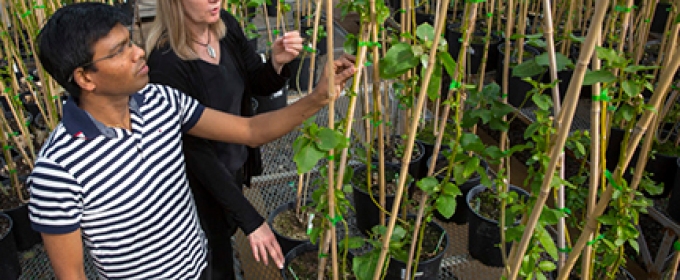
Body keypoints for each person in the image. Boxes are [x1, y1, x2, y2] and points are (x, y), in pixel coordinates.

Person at [28, 2, 355, 279]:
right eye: (120, 51)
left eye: (130, 41)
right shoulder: (57, 173)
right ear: (85, 78)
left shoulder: (162, 101)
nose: (138, 52)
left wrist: (318, 97)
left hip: (202, 267)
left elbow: (251, 130)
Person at [145, 0, 305, 278]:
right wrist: (251, 220)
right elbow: (196, 155)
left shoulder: (225, 26)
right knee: (214, 250)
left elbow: (256, 81)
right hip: (197, 185)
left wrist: (276, 61)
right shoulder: (164, 62)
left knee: (225, 232)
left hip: (233, 165)